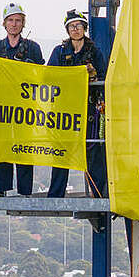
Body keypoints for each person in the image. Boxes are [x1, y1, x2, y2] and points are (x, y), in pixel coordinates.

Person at [0, 3, 45, 197]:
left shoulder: (32, 48)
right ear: (5, 23)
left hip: (26, 107)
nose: (14, 24)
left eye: (18, 20)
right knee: (4, 147)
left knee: (25, 148)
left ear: (23, 23)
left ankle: (25, 192)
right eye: (11, 20)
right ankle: (3, 189)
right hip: (2, 107)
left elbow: (43, 76)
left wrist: (30, 68)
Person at [47, 10, 108, 198]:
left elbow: (104, 78)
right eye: (72, 26)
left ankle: (97, 193)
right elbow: (49, 76)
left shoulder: (94, 52)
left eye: (79, 26)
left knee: (92, 150)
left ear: (84, 29)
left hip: (88, 108)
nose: (75, 29)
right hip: (65, 110)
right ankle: (56, 194)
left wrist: (93, 76)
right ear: (67, 30)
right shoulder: (60, 52)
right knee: (61, 151)